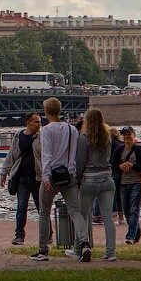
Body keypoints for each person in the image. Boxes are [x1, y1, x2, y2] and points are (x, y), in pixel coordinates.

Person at [31, 97, 87, 262]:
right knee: (75, 211)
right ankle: (85, 244)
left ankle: (43, 250)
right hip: (69, 175)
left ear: (46, 112)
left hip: (52, 176)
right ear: (59, 110)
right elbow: (75, 152)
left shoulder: (46, 130)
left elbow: (46, 155)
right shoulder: (72, 129)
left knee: (44, 212)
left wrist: (45, 176)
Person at [75, 108, 117, 262]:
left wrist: (78, 179)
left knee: (82, 216)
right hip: (107, 178)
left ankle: (79, 248)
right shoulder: (108, 136)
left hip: (89, 180)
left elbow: (80, 161)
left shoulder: (84, 138)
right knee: (108, 217)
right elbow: (109, 157)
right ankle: (110, 252)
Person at [0, 112, 41, 245]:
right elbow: (11, 155)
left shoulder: (41, 137)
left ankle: (48, 234)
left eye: (40, 122)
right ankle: (19, 236)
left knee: (42, 208)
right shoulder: (19, 136)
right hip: (22, 178)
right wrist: (3, 173)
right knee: (21, 207)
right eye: (36, 121)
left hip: (38, 178)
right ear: (28, 122)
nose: (39, 124)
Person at [112, 126, 141, 244]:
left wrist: (133, 166)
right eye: (125, 134)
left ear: (134, 135)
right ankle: (138, 231)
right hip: (123, 184)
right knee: (127, 212)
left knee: (134, 210)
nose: (127, 136)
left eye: (129, 134)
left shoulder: (140, 150)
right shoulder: (119, 150)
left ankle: (130, 236)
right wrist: (120, 166)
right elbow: (113, 166)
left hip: (137, 184)